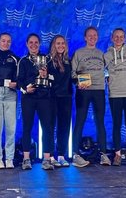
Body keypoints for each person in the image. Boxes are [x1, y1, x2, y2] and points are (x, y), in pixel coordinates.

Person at [71, 26, 111, 167]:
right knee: (80, 121)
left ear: (97, 37)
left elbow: (108, 72)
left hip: (99, 90)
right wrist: (78, 81)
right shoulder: (78, 53)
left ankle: (104, 154)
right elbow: (72, 73)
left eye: (95, 35)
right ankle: (75, 154)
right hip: (84, 90)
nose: (92, 38)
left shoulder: (102, 54)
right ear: (85, 38)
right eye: (89, 35)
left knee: (100, 122)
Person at [17, 33, 55, 170]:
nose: (33, 45)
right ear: (27, 44)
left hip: (44, 98)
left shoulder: (47, 59)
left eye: (36, 43)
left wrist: (47, 76)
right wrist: (26, 89)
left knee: (47, 127)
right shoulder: (23, 61)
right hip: (28, 98)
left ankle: (47, 159)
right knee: (27, 127)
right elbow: (19, 81)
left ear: (40, 44)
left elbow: (53, 78)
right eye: (31, 43)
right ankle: (26, 159)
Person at [104, 28, 126, 167]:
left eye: (121, 36)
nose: (118, 39)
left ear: (125, 38)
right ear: (112, 38)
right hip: (115, 93)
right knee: (116, 124)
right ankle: (117, 154)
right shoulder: (106, 55)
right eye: (116, 37)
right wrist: (107, 79)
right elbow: (104, 71)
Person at [0, 33, 19, 169]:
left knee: (11, 128)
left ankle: (9, 158)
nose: (5, 43)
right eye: (3, 41)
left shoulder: (15, 59)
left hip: (11, 94)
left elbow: (20, 77)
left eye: (8, 41)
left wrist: (16, 84)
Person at [47, 35, 72, 167]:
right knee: (50, 127)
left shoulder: (69, 61)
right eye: (58, 43)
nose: (61, 46)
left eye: (63, 43)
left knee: (64, 127)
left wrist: (82, 82)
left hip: (66, 98)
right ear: (53, 45)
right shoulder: (47, 61)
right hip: (52, 98)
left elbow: (73, 78)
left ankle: (62, 155)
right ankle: (50, 156)